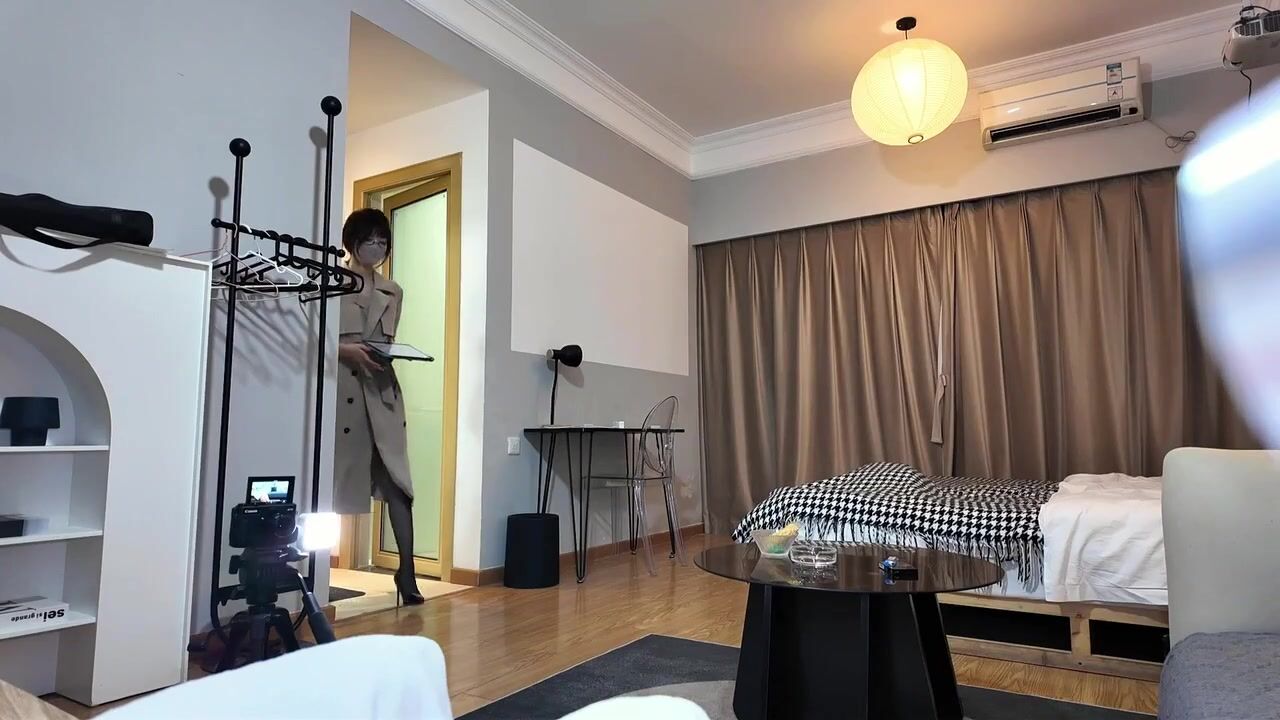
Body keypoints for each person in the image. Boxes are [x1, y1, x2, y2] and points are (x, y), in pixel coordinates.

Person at [333, 208, 424, 604]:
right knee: (330, 485)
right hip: (342, 393)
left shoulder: (394, 291)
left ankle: (408, 572)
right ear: (352, 243)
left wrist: (389, 353)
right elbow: (313, 338)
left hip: (382, 394)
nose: (376, 247)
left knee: (399, 484)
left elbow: (386, 340)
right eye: (369, 240)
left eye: (383, 241)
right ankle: (309, 576)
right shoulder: (331, 281)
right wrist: (344, 350)